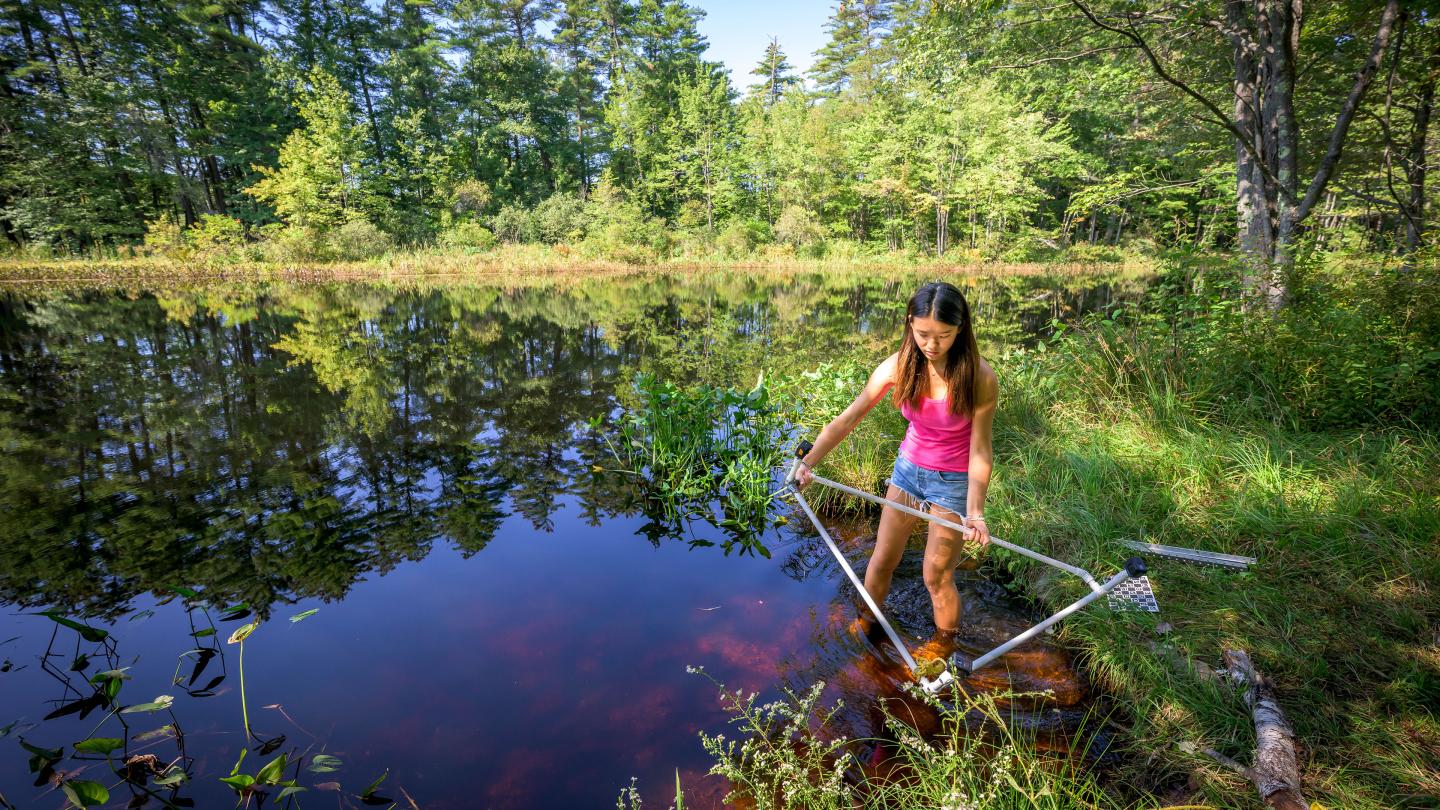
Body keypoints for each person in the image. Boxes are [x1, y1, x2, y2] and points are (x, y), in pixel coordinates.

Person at [794, 280, 997, 639]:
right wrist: (809, 461)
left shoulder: (980, 377)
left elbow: (980, 449)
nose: (932, 345)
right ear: (909, 324)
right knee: (883, 559)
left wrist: (975, 512)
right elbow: (849, 418)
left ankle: (942, 650)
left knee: (936, 576)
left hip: (952, 482)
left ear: (960, 329)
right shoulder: (897, 366)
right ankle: (867, 623)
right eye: (923, 334)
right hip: (907, 472)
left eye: (943, 335)